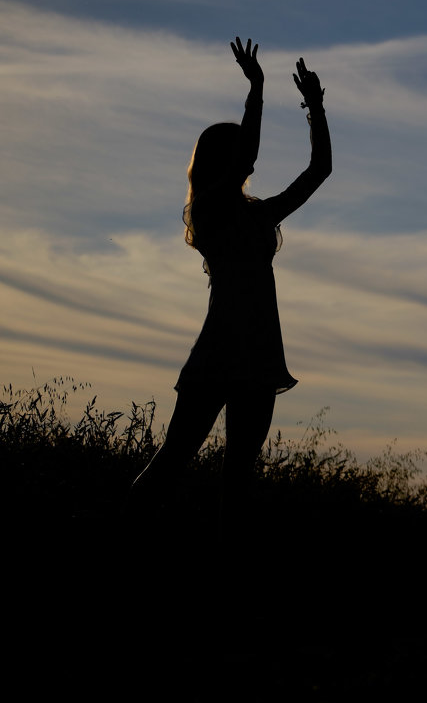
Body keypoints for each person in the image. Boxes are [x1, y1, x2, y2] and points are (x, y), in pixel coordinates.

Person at [130, 37, 331, 533]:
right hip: (219, 353)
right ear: (224, 160)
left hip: (260, 357)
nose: (248, 155)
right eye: (239, 148)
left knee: (238, 480)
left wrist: (316, 107)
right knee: (172, 461)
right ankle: (123, 532)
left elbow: (319, 170)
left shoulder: (260, 214)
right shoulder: (207, 212)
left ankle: (224, 578)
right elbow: (249, 158)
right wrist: (257, 89)